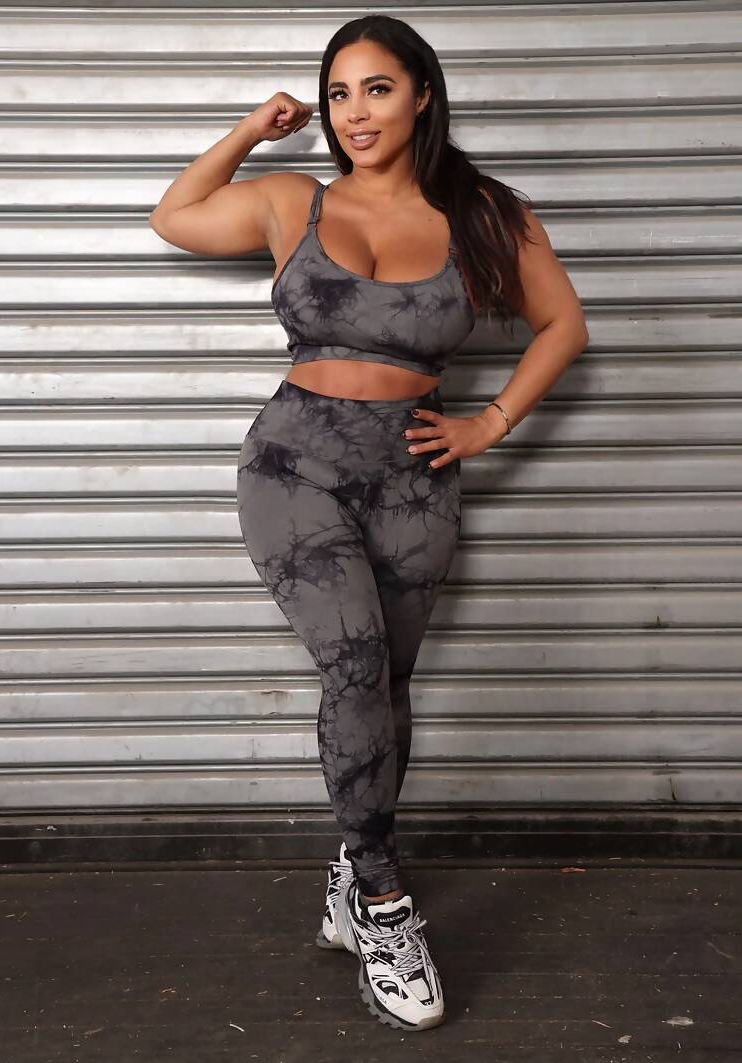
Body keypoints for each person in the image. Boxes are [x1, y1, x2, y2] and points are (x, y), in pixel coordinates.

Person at [148, 14, 589, 1033]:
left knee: (386, 682)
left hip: (413, 478)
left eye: (377, 89)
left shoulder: (483, 212)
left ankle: (353, 872)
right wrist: (250, 131)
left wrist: (489, 422)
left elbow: (564, 323)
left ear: (422, 95)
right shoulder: (292, 198)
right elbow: (175, 215)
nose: (354, 113)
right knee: (351, 663)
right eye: (338, 94)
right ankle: (385, 903)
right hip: (293, 465)